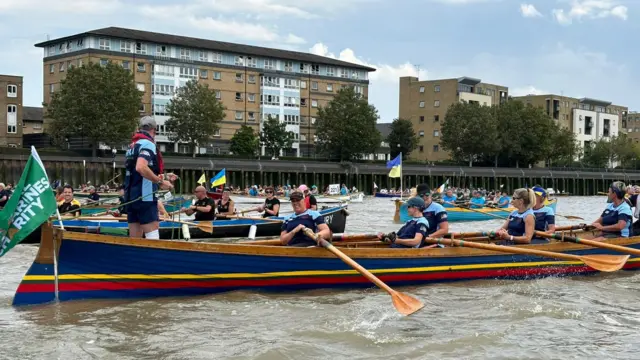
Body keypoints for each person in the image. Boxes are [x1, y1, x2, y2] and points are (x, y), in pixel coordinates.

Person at [124, 116, 175, 239]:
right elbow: (141, 167)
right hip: (145, 197)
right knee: (153, 235)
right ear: (154, 130)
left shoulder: (132, 146)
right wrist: (161, 181)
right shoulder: (148, 144)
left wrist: (165, 175)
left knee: (135, 239)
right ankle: (155, 257)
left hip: (130, 198)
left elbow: (138, 170)